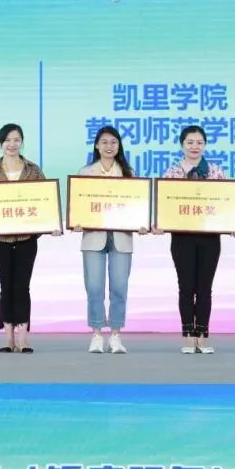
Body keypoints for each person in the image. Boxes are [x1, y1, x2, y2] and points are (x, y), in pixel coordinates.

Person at [153, 126, 235, 355]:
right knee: (185, 287)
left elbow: (225, 205)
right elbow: (165, 206)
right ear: (182, 145)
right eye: (190, 142)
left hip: (210, 238)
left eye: (199, 142)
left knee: (204, 288)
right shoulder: (172, 173)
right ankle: (188, 336)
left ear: (205, 145)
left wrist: (233, 224)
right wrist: (159, 222)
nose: (195, 147)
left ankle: (202, 336)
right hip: (182, 238)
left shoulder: (216, 172)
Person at [0, 123, 57, 354]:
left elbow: (46, 202)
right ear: (0, 143)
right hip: (0, 240)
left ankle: (23, 339)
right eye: (8, 140)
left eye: (16, 140)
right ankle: (8, 338)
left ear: (22, 143)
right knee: (6, 287)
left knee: (22, 287)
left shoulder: (33, 170)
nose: (12, 144)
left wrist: (52, 223)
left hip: (26, 240)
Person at [76, 126, 148, 355]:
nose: (109, 146)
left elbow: (137, 206)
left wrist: (142, 223)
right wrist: (77, 221)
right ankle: (97, 334)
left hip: (121, 238)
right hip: (93, 237)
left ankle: (116, 334)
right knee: (94, 287)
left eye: (113, 142)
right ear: (97, 146)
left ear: (119, 146)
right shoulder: (85, 173)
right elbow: (79, 205)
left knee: (119, 287)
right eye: (104, 142)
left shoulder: (128, 173)